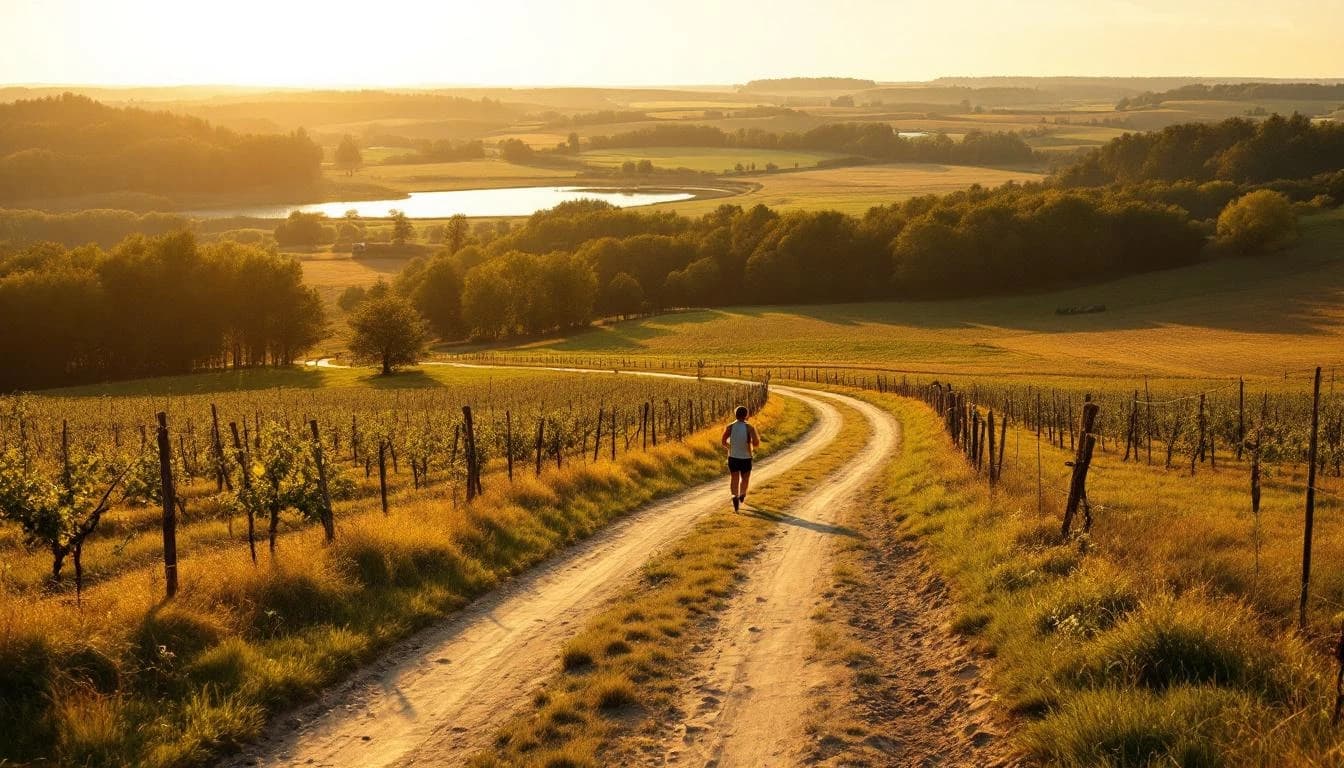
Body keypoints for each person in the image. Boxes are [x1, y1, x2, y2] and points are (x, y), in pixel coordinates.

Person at [721, 405, 760, 511]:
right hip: (746, 457)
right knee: (745, 478)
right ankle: (742, 494)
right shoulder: (749, 428)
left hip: (733, 457)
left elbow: (723, 441)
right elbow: (756, 443)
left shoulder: (730, 427)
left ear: (735, 414)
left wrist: (731, 447)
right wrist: (750, 443)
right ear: (746, 415)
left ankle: (734, 495)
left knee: (734, 478)